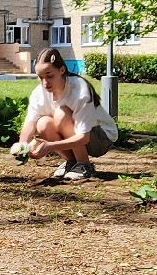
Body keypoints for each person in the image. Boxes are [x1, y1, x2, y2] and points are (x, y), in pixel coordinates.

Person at [11, 47, 117, 182]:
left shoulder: (79, 89)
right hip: (79, 136)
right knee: (43, 123)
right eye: (40, 77)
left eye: (49, 76)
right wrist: (22, 145)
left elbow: (84, 138)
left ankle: (84, 165)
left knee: (61, 113)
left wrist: (50, 147)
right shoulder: (39, 93)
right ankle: (72, 162)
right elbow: (30, 122)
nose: (45, 83)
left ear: (62, 70)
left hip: (100, 137)